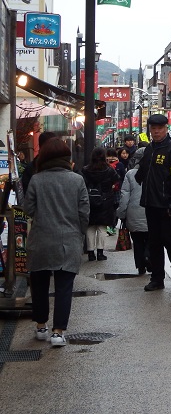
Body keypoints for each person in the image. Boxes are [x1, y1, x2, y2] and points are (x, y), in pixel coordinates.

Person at [24, 139, 89, 347]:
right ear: (67, 158)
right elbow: (84, 212)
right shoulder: (77, 180)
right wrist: (79, 234)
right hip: (68, 240)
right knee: (64, 287)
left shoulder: (36, 180)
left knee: (40, 284)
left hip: (41, 239)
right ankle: (58, 332)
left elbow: (28, 209)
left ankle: (41, 326)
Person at [135, 113, 171, 292]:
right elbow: (142, 172)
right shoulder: (149, 149)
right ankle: (157, 278)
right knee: (154, 242)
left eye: (159, 129)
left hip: (166, 205)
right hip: (150, 203)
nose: (156, 132)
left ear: (166, 129)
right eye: (153, 129)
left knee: (170, 241)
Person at [81, 147, 120, 261]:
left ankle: (90, 253)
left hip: (90, 200)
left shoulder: (85, 170)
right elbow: (116, 180)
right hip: (105, 200)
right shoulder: (109, 170)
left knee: (90, 227)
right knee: (102, 228)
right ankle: (100, 253)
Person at [117, 147, 150, 275]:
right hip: (150, 212)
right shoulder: (154, 172)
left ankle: (141, 266)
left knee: (137, 242)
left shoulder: (130, 174)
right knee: (150, 239)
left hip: (133, 213)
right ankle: (149, 258)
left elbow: (124, 196)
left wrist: (121, 213)